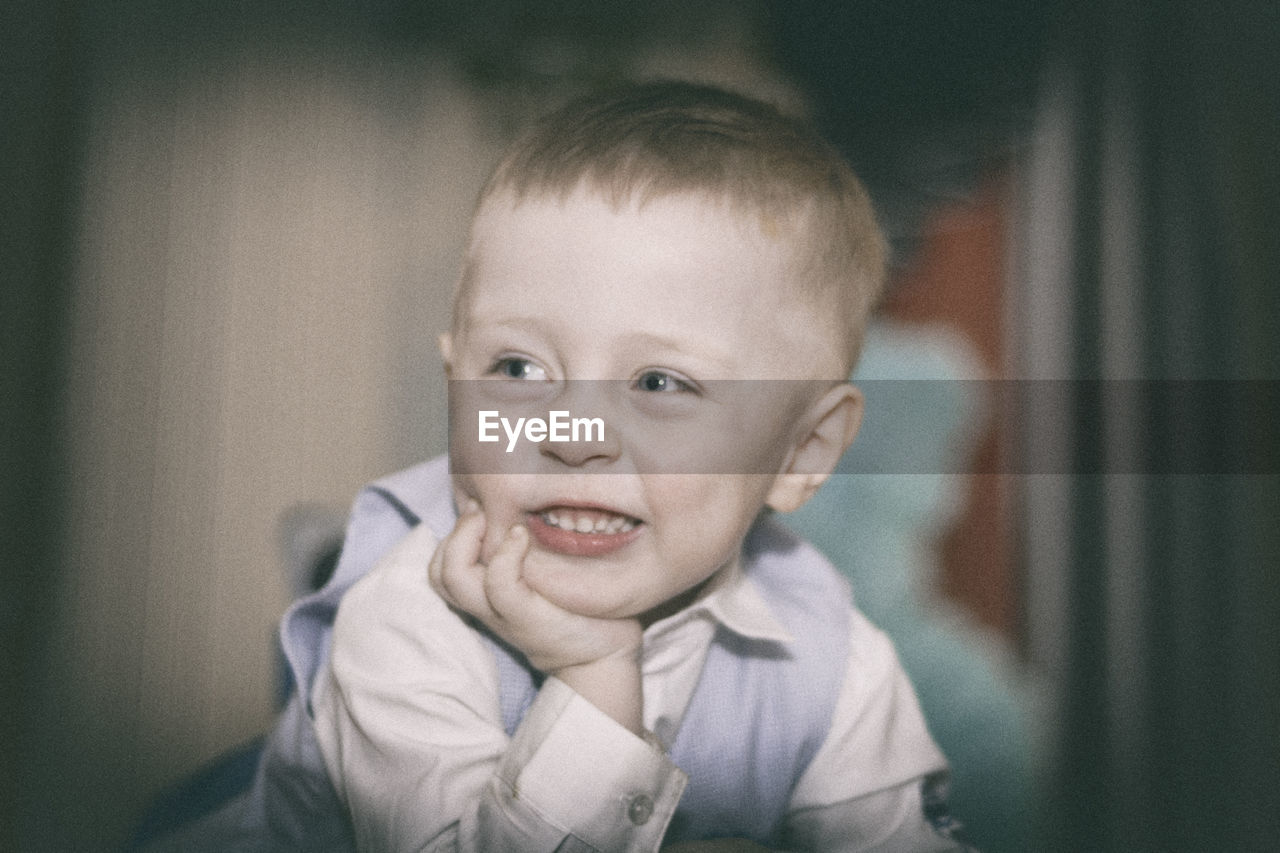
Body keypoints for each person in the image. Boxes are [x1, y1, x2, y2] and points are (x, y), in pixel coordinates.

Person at [155, 80, 972, 852]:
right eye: (517, 369)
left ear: (802, 453)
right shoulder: (407, 618)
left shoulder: (831, 663)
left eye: (660, 382)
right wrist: (594, 677)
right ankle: (328, 584)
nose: (573, 433)